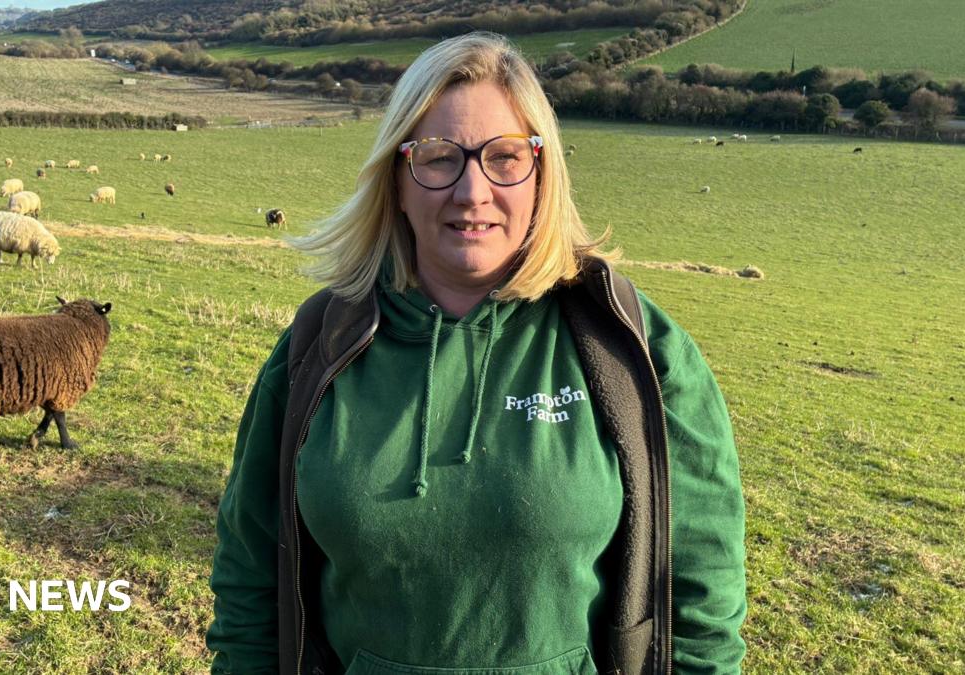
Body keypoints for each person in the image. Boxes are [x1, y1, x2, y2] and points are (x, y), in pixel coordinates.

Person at [207, 32, 746, 675]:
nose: (471, 191)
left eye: (505, 157)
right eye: (438, 157)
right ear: (397, 179)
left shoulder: (633, 349)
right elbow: (250, 584)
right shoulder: (319, 347)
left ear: (543, 175)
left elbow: (701, 601)